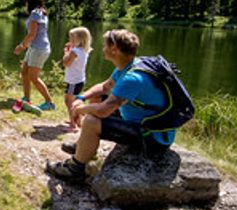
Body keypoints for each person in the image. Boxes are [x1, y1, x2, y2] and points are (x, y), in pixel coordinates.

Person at [46, 29, 175, 183]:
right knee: (96, 97)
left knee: (91, 121)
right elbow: (105, 87)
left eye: (105, 45)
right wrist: (81, 97)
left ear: (114, 49)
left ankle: (75, 169)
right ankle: (84, 146)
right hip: (139, 120)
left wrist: (80, 109)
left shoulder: (132, 78)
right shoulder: (127, 65)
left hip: (151, 136)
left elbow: (103, 110)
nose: (102, 48)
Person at [12, 0, 55, 114]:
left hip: (39, 48)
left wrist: (21, 46)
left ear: (30, 2)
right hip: (34, 47)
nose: (25, 4)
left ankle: (49, 103)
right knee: (24, 71)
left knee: (33, 78)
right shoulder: (40, 12)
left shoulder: (35, 13)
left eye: (26, 2)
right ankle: (26, 98)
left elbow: (32, 34)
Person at [62, 27, 92, 132]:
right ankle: (78, 120)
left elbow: (66, 63)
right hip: (80, 80)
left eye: (71, 38)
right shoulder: (84, 50)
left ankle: (73, 125)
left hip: (73, 81)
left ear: (78, 39)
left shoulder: (74, 51)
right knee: (74, 101)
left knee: (68, 101)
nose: (69, 40)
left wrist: (66, 52)